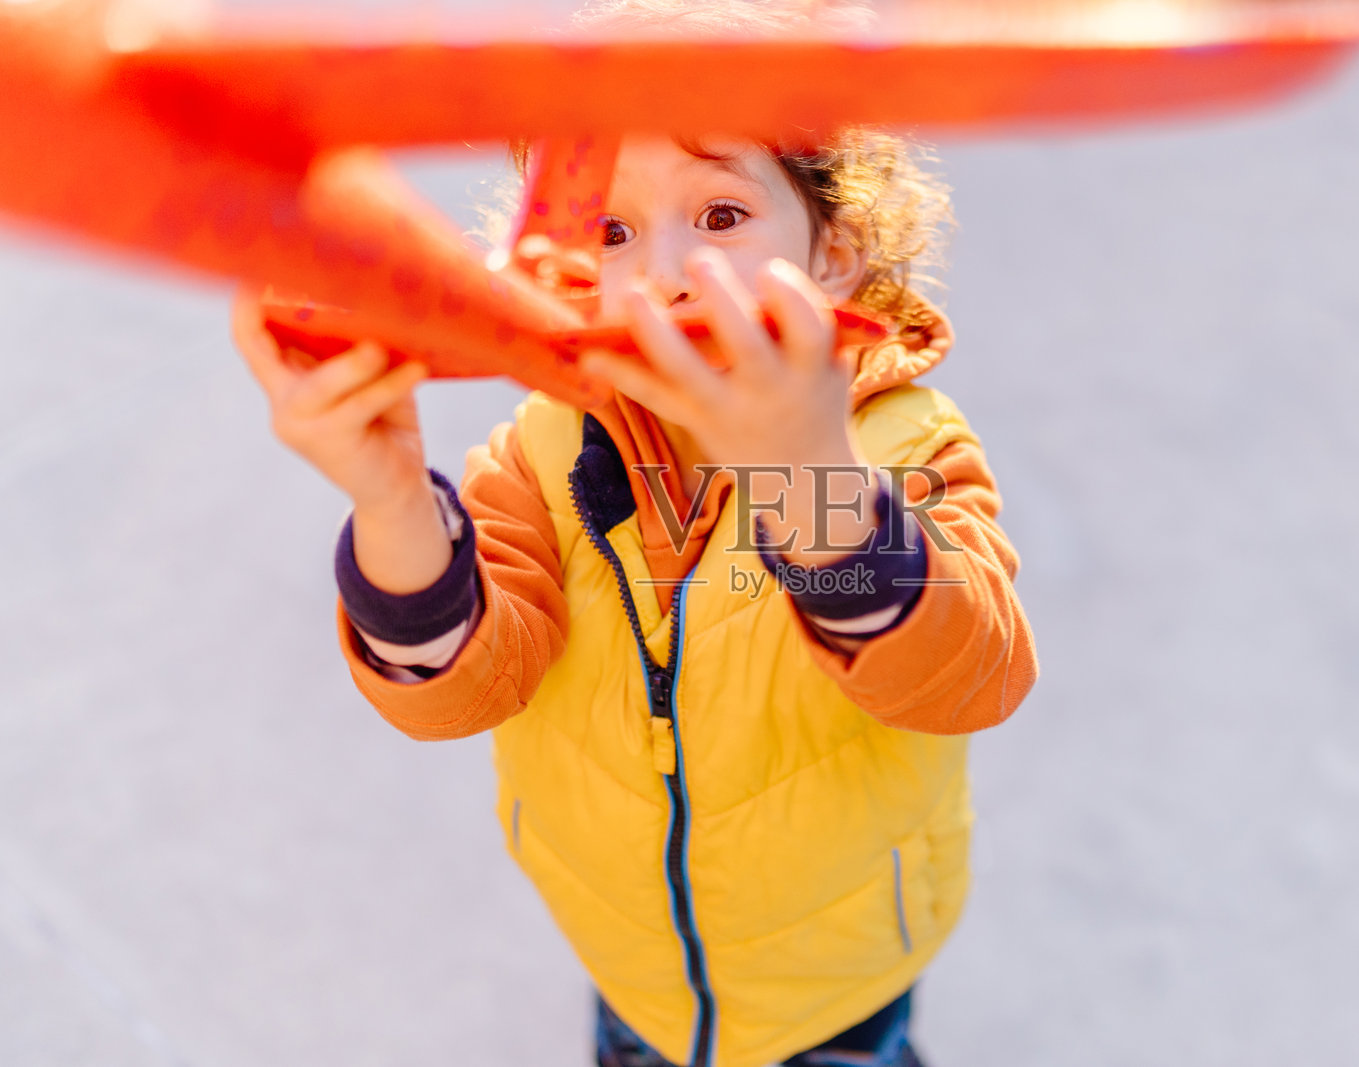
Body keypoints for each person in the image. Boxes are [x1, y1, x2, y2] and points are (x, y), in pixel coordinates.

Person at [232, 3, 1037, 1064]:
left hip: (837, 975)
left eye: (719, 216)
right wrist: (388, 499)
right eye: (608, 232)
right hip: (633, 963)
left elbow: (966, 678)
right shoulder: (542, 453)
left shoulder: (901, 447)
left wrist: (803, 466)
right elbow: (458, 684)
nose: (663, 274)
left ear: (833, 254)